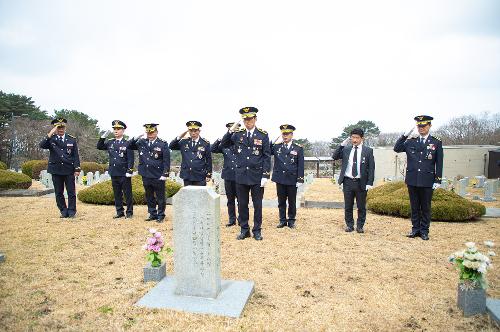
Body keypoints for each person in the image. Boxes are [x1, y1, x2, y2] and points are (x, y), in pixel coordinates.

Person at [220, 107, 271, 241]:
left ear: (255, 119)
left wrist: (265, 175)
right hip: (241, 175)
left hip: (256, 176)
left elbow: (266, 156)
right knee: (242, 204)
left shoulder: (263, 135)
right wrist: (230, 131)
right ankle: (244, 229)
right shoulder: (237, 134)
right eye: (245, 119)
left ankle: (257, 230)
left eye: (250, 119)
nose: (248, 122)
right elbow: (223, 145)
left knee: (257, 205)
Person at [394, 115, 443, 240]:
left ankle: (424, 231)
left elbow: (439, 162)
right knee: (414, 206)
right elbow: (397, 148)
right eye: (419, 126)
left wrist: (438, 179)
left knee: (425, 207)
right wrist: (404, 136)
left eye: (424, 126)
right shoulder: (411, 141)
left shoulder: (436, 142)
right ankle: (415, 229)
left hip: (427, 180)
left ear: (429, 126)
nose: (421, 128)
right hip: (412, 179)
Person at [332, 128, 375, 233]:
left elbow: (371, 168)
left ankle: (360, 226)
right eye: (353, 138)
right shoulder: (346, 149)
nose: (354, 140)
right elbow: (335, 156)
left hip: (361, 182)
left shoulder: (368, 151)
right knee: (348, 205)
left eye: (357, 138)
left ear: (362, 138)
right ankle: (349, 225)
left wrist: (369, 183)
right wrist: (342, 145)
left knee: (361, 206)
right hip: (348, 181)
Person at [39, 118, 81, 218]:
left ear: (65, 128)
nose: (60, 129)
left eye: (62, 127)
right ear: (55, 128)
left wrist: (77, 168)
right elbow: (41, 145)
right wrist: (50, 133)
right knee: (59, 192)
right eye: (58, 127)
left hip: (68, 169)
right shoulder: (51, 139)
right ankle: (63, 210)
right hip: (56, 169)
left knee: (71, 192)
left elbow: (75, 155)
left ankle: (71, 211)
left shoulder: (71, 139)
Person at [129, 123, 170, 223]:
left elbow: (166, 160)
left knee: (160, 197)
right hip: (146, 174)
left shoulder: (162, 144)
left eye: (152, 132)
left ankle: (161, 215)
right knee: (149, 195)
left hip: (158, 174)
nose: (150, 134)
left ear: (156, 132)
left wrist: (165, 173)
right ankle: (152, 213)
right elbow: (129, 146)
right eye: (148, 132)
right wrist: (134, 138)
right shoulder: (141, 142)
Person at [97, 120, 134, 219]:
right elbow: (99, 146)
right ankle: (119, 212)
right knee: (117, 193)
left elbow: (131, 158)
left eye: (118, 129)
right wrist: (103, 136)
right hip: (114, 172)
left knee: (127, 194)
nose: (116, 131)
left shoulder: (127, 143)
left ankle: (129, 212)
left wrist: (130, 170)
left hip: (124, 172)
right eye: (114, 129)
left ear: (123, 130)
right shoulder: (110, 142)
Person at [270, 124, 304, 229]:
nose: (285, 136)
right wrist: (272, 141)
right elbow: (266, 150)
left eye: (287, 134)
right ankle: (282, 220)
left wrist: (300, 178)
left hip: (292, 178)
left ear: (291, 135)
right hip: (280, 178)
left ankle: (291, 220)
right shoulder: (276, 147)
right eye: (283, 134)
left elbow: (301, 164)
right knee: (281, 201)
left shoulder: (298, 148)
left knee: (292, 201)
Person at [211, 122, 241, 227]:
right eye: (231, 130)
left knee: (241, 200)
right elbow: (213, 149)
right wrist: (220, 138)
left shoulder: (241, 143)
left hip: (240, 176)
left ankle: (241, 219)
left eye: (235, 130)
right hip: (228, 176)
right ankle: (232, 220)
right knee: (230, 200)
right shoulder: (224, 145)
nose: (233, 133)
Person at [169, 121, 212, 186]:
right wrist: (180, 136)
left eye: (195, 131)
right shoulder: (184, 142)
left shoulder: (205, 143)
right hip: (187, 175)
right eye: (191, 131)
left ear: (199, 131)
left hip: (200, 175)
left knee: (200, 195)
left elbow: (209, 159)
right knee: (188, 195)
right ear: (188, 132)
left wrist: (209, 174)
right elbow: (171, 146)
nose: (193, 133)